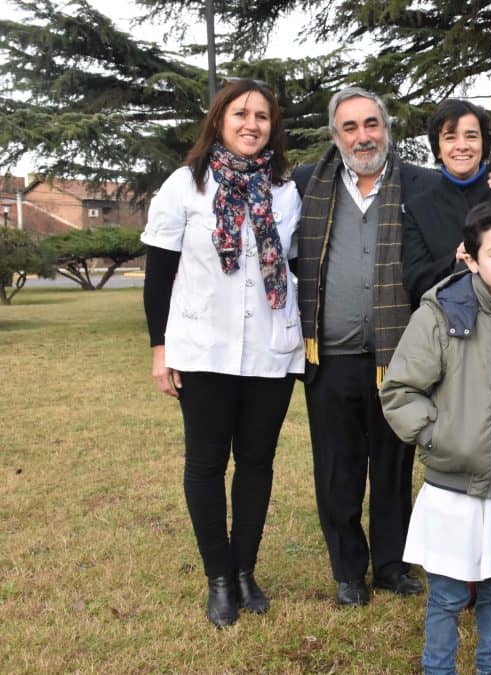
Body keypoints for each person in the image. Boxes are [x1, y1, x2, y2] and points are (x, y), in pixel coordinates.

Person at [140, 78, 303, 627]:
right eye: (240, 114)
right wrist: (160, 350)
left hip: (268, 350)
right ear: (219, 120)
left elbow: (296, 266)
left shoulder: (285, 190)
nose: (251, 124)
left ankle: (244, 571)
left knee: (257, 462)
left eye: (261, 116)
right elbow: (159, 276)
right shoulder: (185, 186)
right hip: (203, 348)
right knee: (207, 464)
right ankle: (218, 578)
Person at [379, 201, 491, 675]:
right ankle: (438, 669)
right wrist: (438, 438)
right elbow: (401, 390)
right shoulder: (441, 315)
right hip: (451, 488)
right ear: (472, 258)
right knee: (447, 595)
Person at [291, 86, 436, 606]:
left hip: (398, 356)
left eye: (371, 124)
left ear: (386, 128)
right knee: (338, 468)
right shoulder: (308, 184)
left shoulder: (418, 184)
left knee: (394, 467)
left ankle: (391, 565)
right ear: (335, 136)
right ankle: (348, 570)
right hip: (329, 358)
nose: (362, 136)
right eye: (349, 127)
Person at [403, 98, 491, 306]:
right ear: (438, 148)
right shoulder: (419, 208)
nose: (462, 146)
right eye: (450, 137)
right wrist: (455, 260)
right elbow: (415, 280)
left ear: (484, 144)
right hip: (445, 328)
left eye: (471, 136)